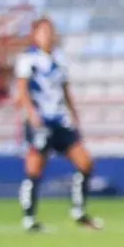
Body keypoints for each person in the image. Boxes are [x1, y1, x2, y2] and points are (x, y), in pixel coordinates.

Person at [15, 17, 103, 233]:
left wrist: (73, 113)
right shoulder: (28, 59)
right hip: (41, 121)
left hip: (60, 120)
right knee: (35, 169)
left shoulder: (59, 59)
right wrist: (32, 115)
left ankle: (79, 211)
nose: (47, 36)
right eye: (43, 32)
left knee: (85, 163)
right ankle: (29, 218)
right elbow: (23, 91)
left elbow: (65, 90)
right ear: (34, 35)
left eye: (50, 31)